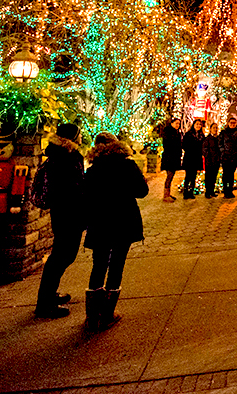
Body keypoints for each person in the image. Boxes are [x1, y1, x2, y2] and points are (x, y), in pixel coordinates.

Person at [82, 132, 148, 331]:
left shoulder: (93, 170)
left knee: (99, 264)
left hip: (100, 222)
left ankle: (92, 315)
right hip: (124, 221)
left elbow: (85, 197)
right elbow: (142, 191)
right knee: (117, 264)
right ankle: (108, 313)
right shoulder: (127, 165)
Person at [35, 123, 86, 318]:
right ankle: (44, 303)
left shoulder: (59, 155)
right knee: (62, 256)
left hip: (64, 211)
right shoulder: (66, 157)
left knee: (62, 255)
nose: (81, 137)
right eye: (79, 134)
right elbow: (72, 186)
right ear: (73, 137)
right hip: (69, 212)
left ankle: (48, 295)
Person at [218, 116, 237, 199]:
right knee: (226, 174)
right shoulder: (223, 132)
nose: (232, 124)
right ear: (228, 123)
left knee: (231, 174)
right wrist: (223, 151)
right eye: (231, 123)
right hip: (225, 156)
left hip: (234, 156)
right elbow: (220, 143)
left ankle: (230, 190)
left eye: (234, 123)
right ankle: (226, 191)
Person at [159, 117, 182, 202]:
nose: (177, 125)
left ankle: (168, 193)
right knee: (169, 176)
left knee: (171, 176)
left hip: (174, 158)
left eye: (179, 124)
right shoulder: (168, 133)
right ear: (172, 123)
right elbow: (168, 145)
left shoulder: (177, 133)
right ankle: (166, 195)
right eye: (176, 123)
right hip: (169, 158)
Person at [181, 119, 204, 199]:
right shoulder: (188, 134)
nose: (198, 126)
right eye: (197, 124)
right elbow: (184, 145)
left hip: (197, 158)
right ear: (194, 125)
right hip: (189, 157)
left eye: (200, 124)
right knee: (188, 176)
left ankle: (191, 192)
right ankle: (185, 192)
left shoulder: (201, 135)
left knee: (194, 176)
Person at [201, 123, 220, 198]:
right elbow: (205, 149)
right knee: (208, 177)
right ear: (210, 129)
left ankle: (212, 191)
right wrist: (208, 157)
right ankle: (207, 192)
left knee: (214, 176)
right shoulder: (207, 139)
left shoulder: (218, 138)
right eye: (214, 128)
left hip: (216, 160)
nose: (215, 129)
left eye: (216, 128)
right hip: (209, 161)